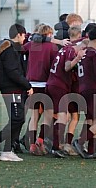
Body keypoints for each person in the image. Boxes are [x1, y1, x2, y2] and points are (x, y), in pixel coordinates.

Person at [0, 24, 33, 161]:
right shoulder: (10, 49)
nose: (24, 38)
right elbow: (13, 72)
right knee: (18, 118)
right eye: (24, 35)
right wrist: (27, 85)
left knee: (18, 119)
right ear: (19, 35)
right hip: (11, 88)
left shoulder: (14, 48)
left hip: (15, 88)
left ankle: (7, 151)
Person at [46, 25, 86, 157]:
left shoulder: (64, 48)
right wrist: (78, 58)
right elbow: (67, 66)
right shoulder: (71, 51)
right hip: (58, 86)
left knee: (63, 116)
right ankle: (55, 146)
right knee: (63, 116)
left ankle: (56, 144)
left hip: (53, 83)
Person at [73, 28, 96, 159]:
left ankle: (90, 150)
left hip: (83, 88)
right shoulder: (94, 53)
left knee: (93, 119)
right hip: (93, 88)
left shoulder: (82, 52)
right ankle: (80, 141)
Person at [23, 24, 59, 155]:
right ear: (49, 34)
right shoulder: (52, 46)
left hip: (31, 84)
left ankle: (32, 144)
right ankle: (40, 139)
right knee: (48, 115)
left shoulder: (31, 44)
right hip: (45, 84)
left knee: (34, 116)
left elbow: (22, 49)